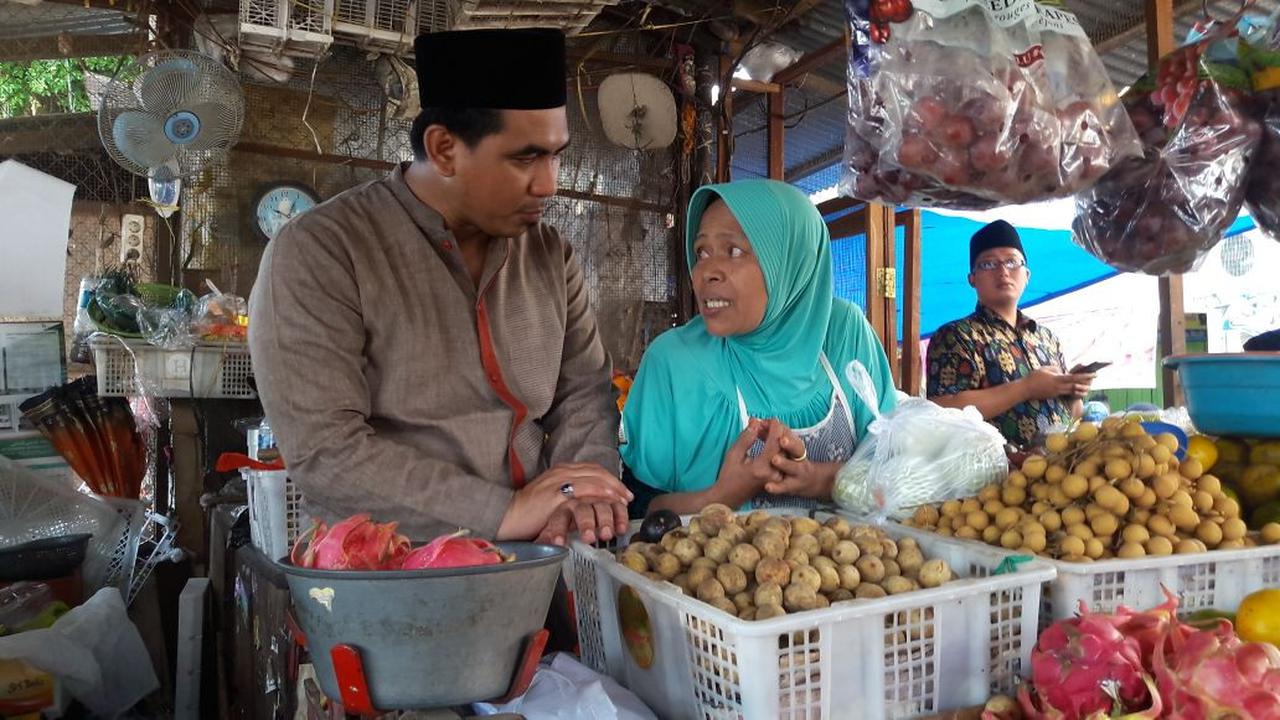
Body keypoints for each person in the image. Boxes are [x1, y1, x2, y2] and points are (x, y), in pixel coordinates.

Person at [248, 28, 631, 548]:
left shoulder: (549, 255)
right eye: (525, 158)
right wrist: (503, 512)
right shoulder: (322, 251)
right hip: (389, 568)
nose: (548, 184)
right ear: (444, 148)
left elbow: (584, 392)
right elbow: (326, 452)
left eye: (556, 155)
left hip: (543, 556)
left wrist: (581, 494)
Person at [613, 179, 898, 515]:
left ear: (790, 259)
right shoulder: (673, 362)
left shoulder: (844, 332)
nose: (706, 272)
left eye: (733, 251)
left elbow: (897, 470)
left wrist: (821, 480)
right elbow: (633, 511)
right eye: (701, 252)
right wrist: (721, 496)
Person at [926, 220, 1094, 447]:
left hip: (1060, 465)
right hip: (996, 468)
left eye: (1012, 261)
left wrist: (1071, 394)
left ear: (1027, 275)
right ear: (972, 279)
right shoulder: (956, 336)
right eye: (988, 264)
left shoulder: (1047, 339)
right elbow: (941, 410)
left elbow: (1073, 416)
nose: (1003, 271)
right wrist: (1026, 388)